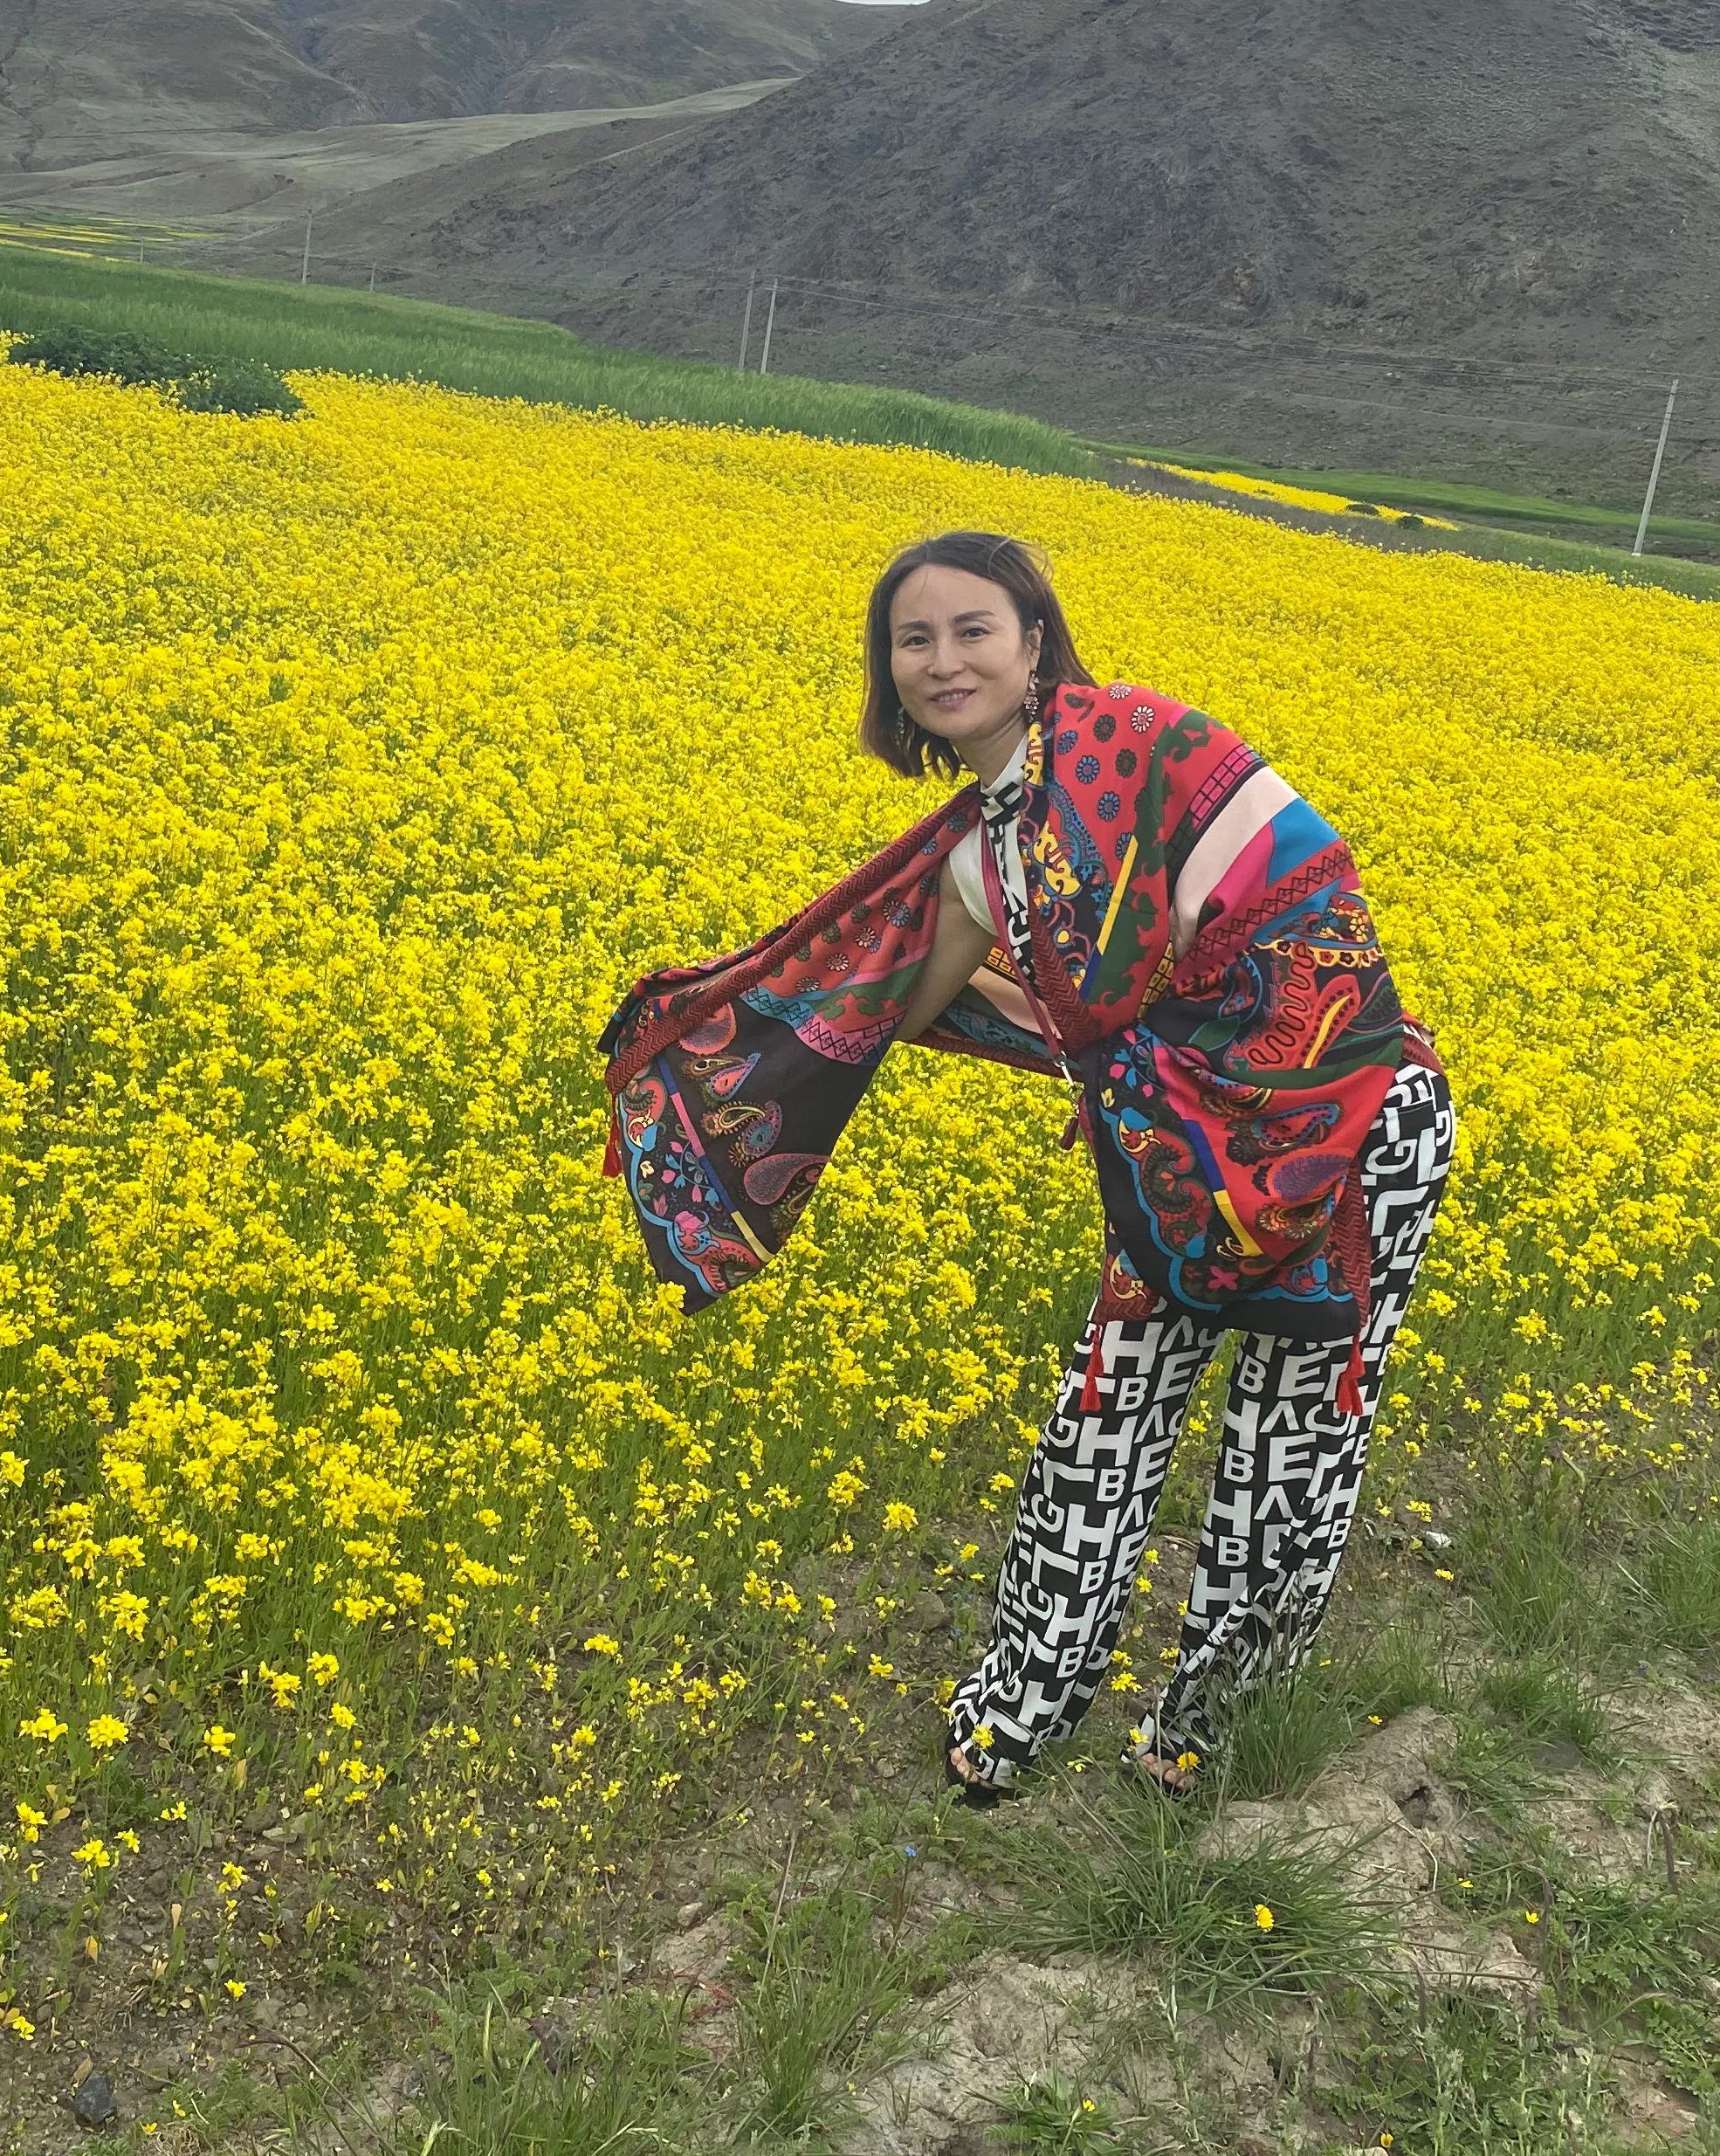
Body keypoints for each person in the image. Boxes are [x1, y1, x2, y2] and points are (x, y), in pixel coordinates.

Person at [601, 529, 1455, 1801]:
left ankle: (1210, 1734)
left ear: (1035, 639)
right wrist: (719, 1041)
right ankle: (1022, 1710)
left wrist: (1085, 1021)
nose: (943, 660)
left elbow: (1122, 969)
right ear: (889, 676)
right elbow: (889, 1002)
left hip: (1349, 1130)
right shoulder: (970, 857)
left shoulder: (1147, 744)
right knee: (1102, 1422)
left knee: (1292, 1451)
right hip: (1177, 1163)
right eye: (913, 640)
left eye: (972, 629)